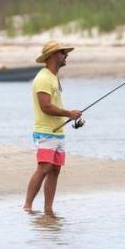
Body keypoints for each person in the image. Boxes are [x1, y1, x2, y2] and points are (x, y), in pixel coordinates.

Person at [23, 41, 82, 216]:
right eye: (63, 53)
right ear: (53, 55)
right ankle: (27, 206)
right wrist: (68, 113)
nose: (66, 56)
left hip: (58, 132)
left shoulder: (53, 77)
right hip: (45, 132)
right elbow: (45, 107)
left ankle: (48, 209)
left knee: (55, 170)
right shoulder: (43, 78)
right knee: (44, 167)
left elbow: (54, 104)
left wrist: (70, 116)